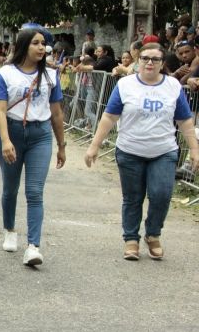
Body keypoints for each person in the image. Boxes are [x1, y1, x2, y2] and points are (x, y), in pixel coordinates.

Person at [85, 43, 199, 260]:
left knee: (161, 194)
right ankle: (131, 239)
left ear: (162, 63)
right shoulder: (126, 85)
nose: (149, 63)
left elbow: (184, 120)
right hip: (130, 150)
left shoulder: (173, 86)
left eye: (155, 59)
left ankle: (153, 233)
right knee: (133, 197)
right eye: (145, 58)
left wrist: (194, 149)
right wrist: (94, 146)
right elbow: (109, 117)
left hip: (163, 151)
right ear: (139, 61)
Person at [0, 28, 66, 267]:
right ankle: (10, 230)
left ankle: (33, 246)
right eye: (36, 43)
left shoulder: (51, 77)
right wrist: (5, 141)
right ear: (24, 46)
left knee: (34, 191)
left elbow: (56, 113)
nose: (41, 48)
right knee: (10, 188)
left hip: (40, 136)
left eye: (43, 44)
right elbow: (0, 110)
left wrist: (61, 145)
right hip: (12, 132)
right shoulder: (5, 74)